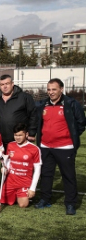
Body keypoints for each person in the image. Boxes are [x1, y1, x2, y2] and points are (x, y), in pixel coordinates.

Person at [31, 78, 86, 215]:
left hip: (65, 147)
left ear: (61, 89)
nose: (51, 92)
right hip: (45, 146)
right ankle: (45, 199)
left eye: (54, 89)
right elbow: (37, 122)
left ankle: (70, 204)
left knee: (68, 176)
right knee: (46, 174)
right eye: (49, 89)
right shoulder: (42, 104)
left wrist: (69, 135)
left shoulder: (71, 103)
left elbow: (81, 123)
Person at [0, 123, 41, 208]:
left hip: (24, 182)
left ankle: (22, 194)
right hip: (11, 181)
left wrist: (32, 188)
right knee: (2, 200)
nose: (17, 138)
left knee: (23, 205)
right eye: (15, 135)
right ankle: (15, 194)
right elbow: (8, 160)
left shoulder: (34, 149)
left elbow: (37, 169)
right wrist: (5, 168)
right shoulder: (11, 145)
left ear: (26, 134)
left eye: (20, 135)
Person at [0, 74, 36, 148]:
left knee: (19, 159)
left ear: (12, 84)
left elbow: (33, 115)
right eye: (2, 84)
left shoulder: (24, 97)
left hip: (20, 140)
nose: (5, 86)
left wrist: (31, 133)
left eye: (7, 84)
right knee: (5, 159)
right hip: (2, 142)